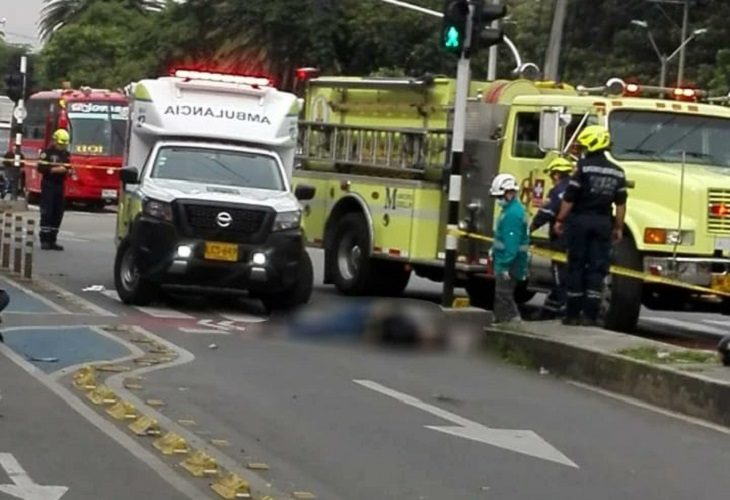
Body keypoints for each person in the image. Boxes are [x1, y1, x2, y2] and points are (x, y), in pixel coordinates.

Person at [554, 125, 628, 327]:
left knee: (576, 266)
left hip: (580, 221)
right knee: (597, 269)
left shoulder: (583, 168)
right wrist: (618, 228)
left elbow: (569, 198)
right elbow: (621, 204)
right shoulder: (618, 172)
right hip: (603, 222)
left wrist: (560, 220)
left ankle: (572, 314)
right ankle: (590, 315)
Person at [529, 157, 574, 319]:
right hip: (577, 239)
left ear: (556, 174)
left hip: (560, 239)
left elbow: (546, 213)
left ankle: (562, 309)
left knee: (559, 274)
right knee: (573, 273)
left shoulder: (558, 191)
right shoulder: (577, 188)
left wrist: (529, 230)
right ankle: (551, 309)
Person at [489, 173, 529, 326]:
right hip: (509, 261)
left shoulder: (512, 214)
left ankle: (513, 323)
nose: (498, 200)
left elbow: (511, 244)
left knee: (504, 295)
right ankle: (500, 323)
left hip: (510, 263)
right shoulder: (513, 210)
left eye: (500, 196)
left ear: (509, 193)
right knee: (501, 295)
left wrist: (505, 265)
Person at [38, 129, 72, 251]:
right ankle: (45, 239)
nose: (63, 146)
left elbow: (69, 167)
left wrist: (68, 170)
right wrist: (57, 169)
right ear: (55, 141)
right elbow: (41, 168)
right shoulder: (46, 153)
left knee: (58, 212)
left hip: (59, 185)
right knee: (47, 211)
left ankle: (53, 239)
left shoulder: (66, 154)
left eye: (65, 144)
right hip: (49, 184)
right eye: (61, 144)